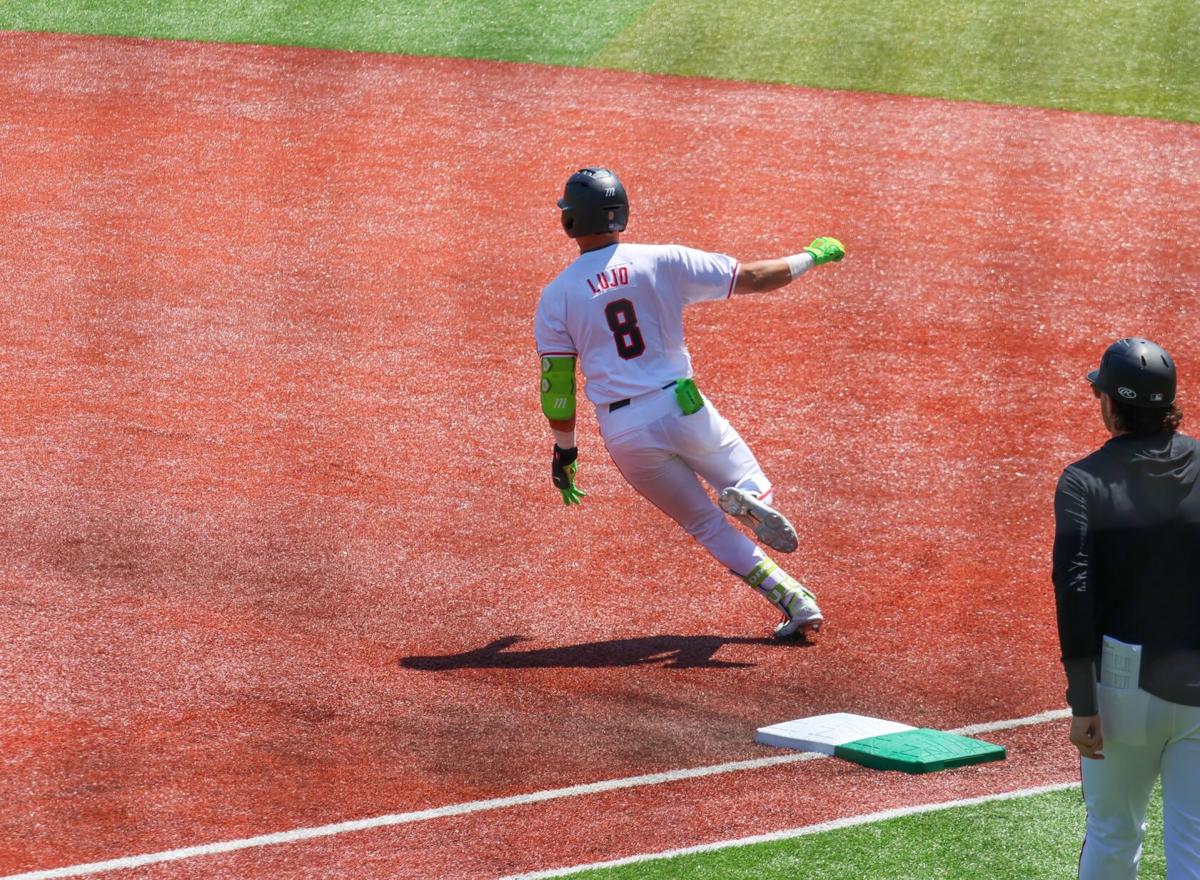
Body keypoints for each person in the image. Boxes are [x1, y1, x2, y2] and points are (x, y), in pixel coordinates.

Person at [533, 167, 845, 640]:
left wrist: (565, 451)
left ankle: (796, 601)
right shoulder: (662, 260)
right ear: (622, 214)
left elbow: (557, 388)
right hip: (681, 402)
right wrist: (812, 256)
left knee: (706, 527)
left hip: (625, 430)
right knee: (750, 480)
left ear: (571, 221)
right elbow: (757, 277)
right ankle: (752, 500)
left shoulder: (557, 295)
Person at [1052, 337, 1200, 879]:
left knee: (1114, 837)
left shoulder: (1083, 480)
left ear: (1112, 405)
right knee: (1195, 847)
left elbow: (1074, 588)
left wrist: (1081, 699)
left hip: (1123, 692)